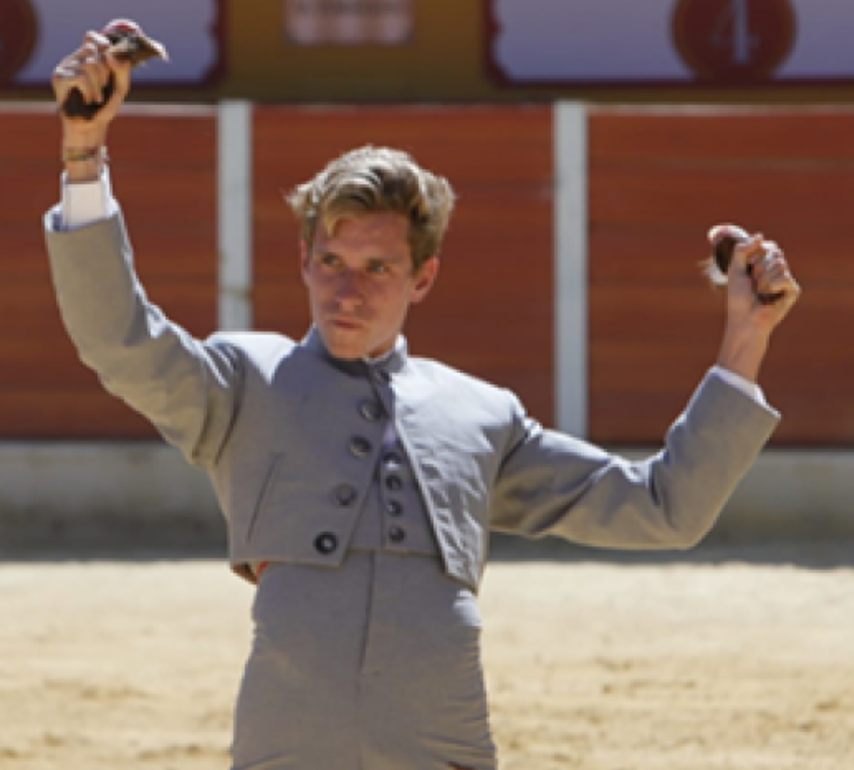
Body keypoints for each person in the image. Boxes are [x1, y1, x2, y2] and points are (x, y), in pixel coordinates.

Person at [43, 31, 801, 770]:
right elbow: (118, 338)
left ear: (424, 278)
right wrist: (85, 151)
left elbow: (663, 508)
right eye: (332, 261)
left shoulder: (481, 413)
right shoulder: (242, 381)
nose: (347, 291)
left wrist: (746, 336)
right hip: (290, 734)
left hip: (442, 736)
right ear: (302, 261)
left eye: (377, 268)